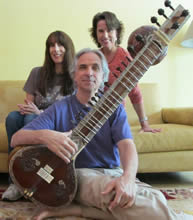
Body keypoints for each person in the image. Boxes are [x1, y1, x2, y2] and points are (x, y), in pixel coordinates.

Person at [11, 48, 193, 220]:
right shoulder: (60, 108)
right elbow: (16, 138)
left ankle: (79, 209)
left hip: (113, 172)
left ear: (104, 76)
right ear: (74, 75)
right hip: (78, 175)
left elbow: (127, 145)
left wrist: (128, 179)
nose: (89, 72)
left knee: (151, 196)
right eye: (83, 67)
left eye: (95, 68)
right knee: (132, 200)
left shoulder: (115, 109)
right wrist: (47, 136)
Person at [2, 30, 75, 201]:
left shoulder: (75, 76)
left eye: (60, 45)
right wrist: (33, 111)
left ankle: (29, 177)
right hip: (34, 116)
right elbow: (29, 104)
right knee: (13, 118)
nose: (55, 49)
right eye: (51, 45)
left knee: (31, 119)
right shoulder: (37, 73)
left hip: (57, 121)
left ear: (68, 48)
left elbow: (71, 110)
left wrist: (39, 113)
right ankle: (15, 179)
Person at [89, 11, 161, 133]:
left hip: (114, 116)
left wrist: (145, 124)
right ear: (96, 34)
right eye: (101, 31)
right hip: (92, 117)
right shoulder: (93, 57)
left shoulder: (124, 57)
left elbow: (135, 93)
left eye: (109, 30)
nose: (105, 35)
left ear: (117, 33)